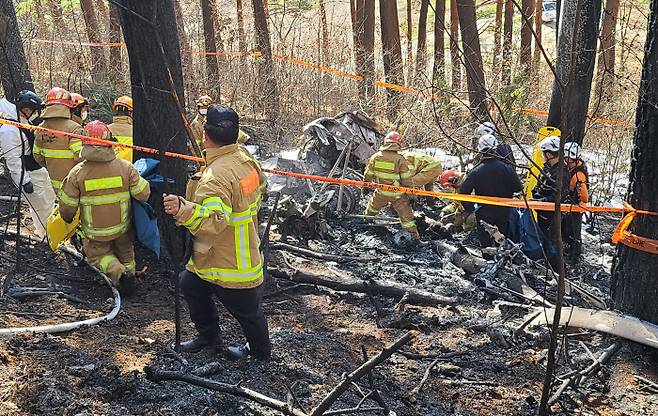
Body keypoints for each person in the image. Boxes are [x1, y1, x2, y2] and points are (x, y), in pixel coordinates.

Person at [163, 104, 270, 360]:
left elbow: (213, 223)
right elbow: (262, 188)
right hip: (216, 256)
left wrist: (181, 209)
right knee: (190, 285)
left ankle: (260, 354)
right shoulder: (245, 159)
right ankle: (209, 338)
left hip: (230, 262)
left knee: (247, 312)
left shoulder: (215, 177)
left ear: (205, 136)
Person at [58, 121, 151, 296]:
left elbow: (67, 207)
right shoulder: (125, 167)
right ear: (109, 142)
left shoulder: (77, 173)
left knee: (98, 256)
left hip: (95, 233)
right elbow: (143, 194)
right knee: (126, 252)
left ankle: (119, 273)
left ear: (84, 142)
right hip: (123, 227)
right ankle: (130, 275)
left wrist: (67, 218)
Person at [0, 91, 56, 238]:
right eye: (29, 109)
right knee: (41, 207)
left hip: (39, 170)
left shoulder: (23, 121)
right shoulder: (9, 129)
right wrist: (24, 181)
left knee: (49, 201)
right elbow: (13, 159)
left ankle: (50, 232)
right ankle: (48, 237)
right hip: (29, 174)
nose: (30, 113)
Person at [459, 134, 523, 247]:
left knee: (486, 244)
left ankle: (488, 261)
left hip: (484, 213)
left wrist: (472, 208)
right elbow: (518, 187)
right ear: (495, 148)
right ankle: (503, 261)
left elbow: (463, 193)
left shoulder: (476, 171)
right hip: (504, 211)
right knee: (502, 241)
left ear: (480, 150)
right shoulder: (507, 168)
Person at [363, 131, 419, 240]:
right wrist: (412, 196)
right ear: (398, 144)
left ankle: (367, 221)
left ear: (385, 142)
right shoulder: (400, 159)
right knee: (407, 217)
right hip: (398, 195)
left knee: (373, 207)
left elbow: (368, 174)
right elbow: (406, 181)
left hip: (381, 193)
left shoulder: (375, 157)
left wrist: (366, 186)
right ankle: (413, 236)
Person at [33, 87, 83, 192]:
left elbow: (37, 156)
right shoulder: (74, 128)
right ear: (67, 107)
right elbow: (81, 157)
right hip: (75, 184)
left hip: (55, 184)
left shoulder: (40, 129)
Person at [532, 135, 570, 242]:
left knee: (548, 241)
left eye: (543, 153)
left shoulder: (561, 173)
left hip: (550, 216)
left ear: (548, 154)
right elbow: (540, 186)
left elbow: (558, 197)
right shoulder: (548, 168)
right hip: (542, 211)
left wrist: (540, 201)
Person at [563, 141, 589, 260]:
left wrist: (578, 203)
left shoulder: (578, 174)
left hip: (576, 208)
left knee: (574, 232)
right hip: (569, 206)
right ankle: (569, 250)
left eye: (567, 158)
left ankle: (575, 256)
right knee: (567, 229)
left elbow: (584, 196)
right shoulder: (571, 169)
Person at [108, 96, 134, 162]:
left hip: (108, 168)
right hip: (129, 169)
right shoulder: (135, 132)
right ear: (130, 113)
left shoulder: (105, 130)